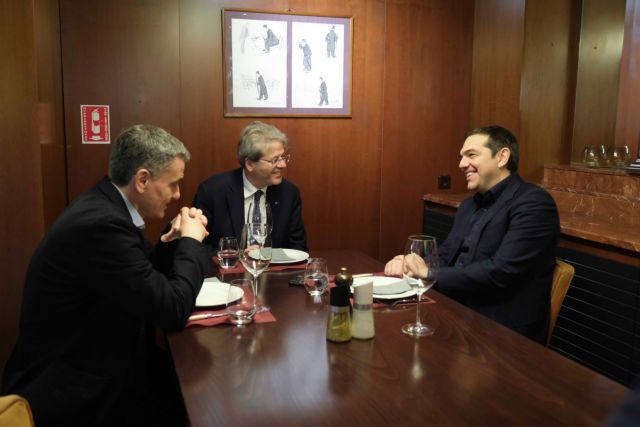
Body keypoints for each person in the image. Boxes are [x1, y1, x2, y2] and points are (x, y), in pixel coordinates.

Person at [1, 125, 210, 426]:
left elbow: (143, 274)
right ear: (142, 180)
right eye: (174, 184)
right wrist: (191, 241)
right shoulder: (101, 225)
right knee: (195, 397)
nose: (178, 195)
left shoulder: (105, 206)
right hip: (74, 391)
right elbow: (172, 309)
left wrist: (174, 240)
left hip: (99, 363)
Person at [385, 125, 559, 344]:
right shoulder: (469, 205)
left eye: (471, 155)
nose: (461, 164)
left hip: (501, 333)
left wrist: (428, 272)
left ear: (502, 157)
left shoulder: (534, 202)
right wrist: (411, 262)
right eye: (461, 156)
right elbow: (446, 255)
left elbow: (502, 271)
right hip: (453, 312)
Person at [193, 121, 307, 252]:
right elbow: (197, 248)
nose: (283, 165)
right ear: (250, 164)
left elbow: (298, 248)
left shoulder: (289, 193)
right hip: (228, 265)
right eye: (275, 160)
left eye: (283, 157)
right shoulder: (212, 191)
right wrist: (238, 256)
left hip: (273, 266)